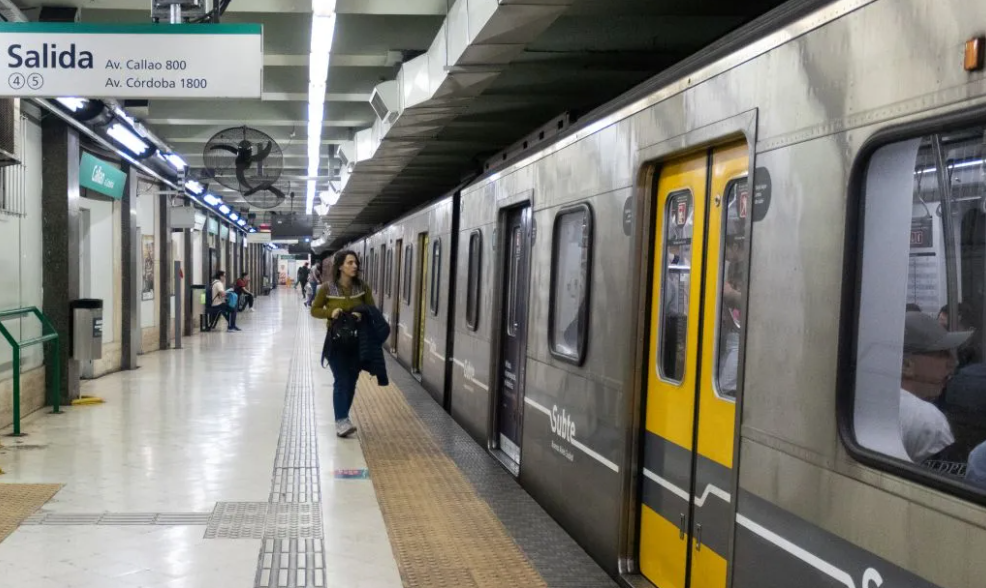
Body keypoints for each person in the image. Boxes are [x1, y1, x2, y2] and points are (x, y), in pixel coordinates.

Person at [311, 250, 373, 437]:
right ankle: (341, 421)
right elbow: (314, 310)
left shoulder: (362, 287)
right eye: (350, 263)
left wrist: (361, 313)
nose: (354, 266)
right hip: (336, 342)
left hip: (356, 341)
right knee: (341, 379)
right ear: (340, 266)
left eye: (355, 263)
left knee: (352, 380)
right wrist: (331, 313)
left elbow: (372, 309)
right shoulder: (327, 288)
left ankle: (343, 418)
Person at [899, 311, 969, 463]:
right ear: (906, 365)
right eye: (942, 354)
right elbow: (949, 483)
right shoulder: (928, 420)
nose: (953, 362)